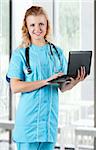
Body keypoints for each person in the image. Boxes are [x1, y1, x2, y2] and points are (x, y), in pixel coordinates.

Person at [7, 6, 85, 150]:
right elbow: (15, 87)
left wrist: (74, 82)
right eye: (32, 25)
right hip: (28, 126)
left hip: (49, 125)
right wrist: (45, 81)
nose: (37, 28)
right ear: (27, 27)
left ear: (47, 25)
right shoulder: (20, 54)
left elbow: (62, 87)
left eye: (41, 24)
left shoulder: (56, 52)